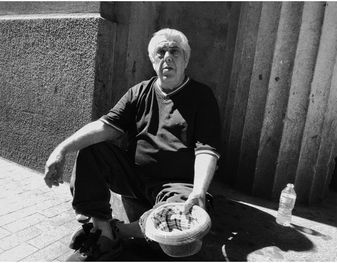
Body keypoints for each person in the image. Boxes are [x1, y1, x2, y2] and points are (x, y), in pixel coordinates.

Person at [44, 28, 221, 261]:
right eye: (161, 51)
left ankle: (117, 231)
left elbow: (206, 150)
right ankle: (103, 231)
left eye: (175, 51)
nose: (167, 56)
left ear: (185, 59)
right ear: (153, 60)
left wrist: (199, 191)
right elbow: (104, 126)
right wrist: (61, 149)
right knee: (92, 148)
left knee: (182, 229)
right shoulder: (139, 92)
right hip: (135, 176)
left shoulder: (202, 96)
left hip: (177, 186)